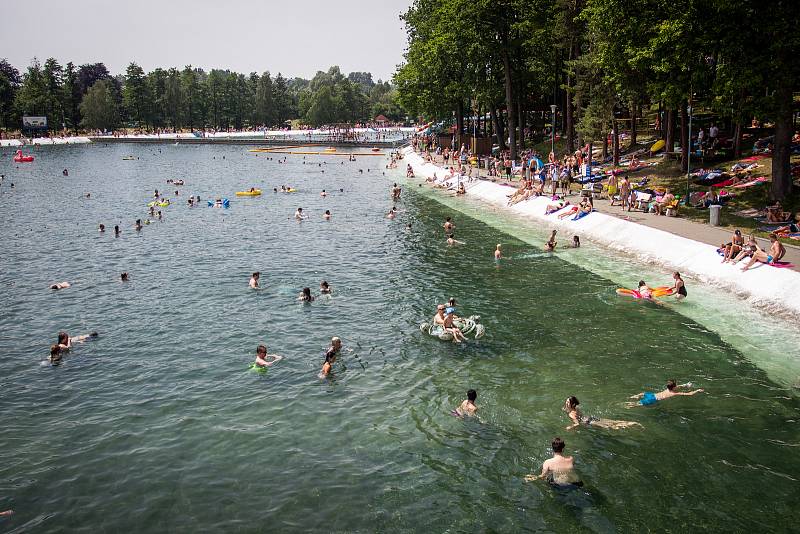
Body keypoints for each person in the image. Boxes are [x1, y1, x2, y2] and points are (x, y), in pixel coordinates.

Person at [564, 396, 642, 430]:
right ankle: (631, 423)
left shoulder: (571, 414)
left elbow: (577, 423)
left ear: (573, 404)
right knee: (612, 422)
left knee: (611, 426)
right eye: (566, 401)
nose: (566, 403)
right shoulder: (576, 408)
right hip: (591, 417)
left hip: (589, 422)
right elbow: (576, 412)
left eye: (568, 402)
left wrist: (570, 427)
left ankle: (631, 425)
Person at [629, 379, 704, 406]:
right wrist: (697, 390)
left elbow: (677, 386)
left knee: (642, 393)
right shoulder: (673, 393)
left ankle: (634, 396)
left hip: (651, 395)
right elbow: (689, 394)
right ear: (674, 387)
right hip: (653, 399)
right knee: (636, 404)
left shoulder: (668, 389)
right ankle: (627, 405)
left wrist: (685, 385)